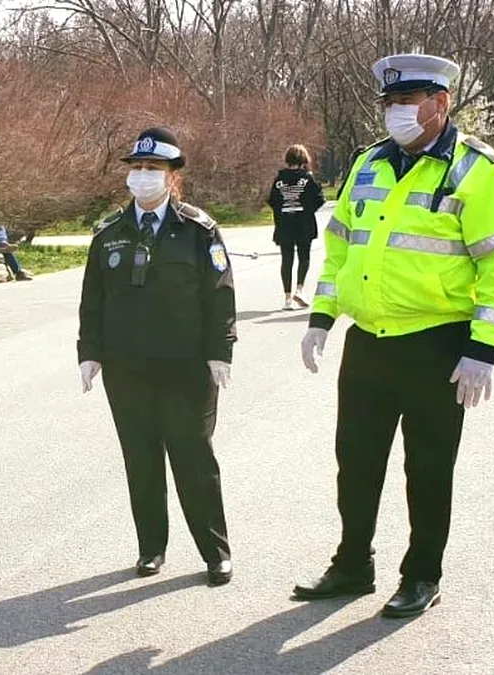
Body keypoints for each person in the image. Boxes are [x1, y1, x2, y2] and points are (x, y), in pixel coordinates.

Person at [295, 53, 494, 618]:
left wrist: (482, 352)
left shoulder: (475, 169)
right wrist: (322, 318)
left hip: (437, 344)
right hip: (369, 340)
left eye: (406, 103)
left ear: (439, 104)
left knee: (428, 469)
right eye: (390, 103)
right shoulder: (368, 163)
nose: (395, 113)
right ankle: (353, 565)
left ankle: (422, 574)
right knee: (356, 461)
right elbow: (340, 247)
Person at [77, 126, 238, 588]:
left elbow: (219, 295)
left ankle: (216, 552)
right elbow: (93, 299)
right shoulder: (108, 232)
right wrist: (89, 353)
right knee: (141, 460)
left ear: (172, 177)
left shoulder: (197, 229)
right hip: (127, 369)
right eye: (137, 168)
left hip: (185, 367)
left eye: (154, 169)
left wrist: (220, 352)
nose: (143, 176)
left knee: (193, 459)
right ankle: (152, 547)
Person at [267, 144, 325, 309]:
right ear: (304, 160)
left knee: (286, 259)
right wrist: (307, 211)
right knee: (304, 257)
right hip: (304, 224)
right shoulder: (308, 178)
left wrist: (282, 213)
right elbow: (319, 199)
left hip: (284, 224)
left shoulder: (279, 180)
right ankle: (299, 289)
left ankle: (287, 298)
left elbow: (273, 200)